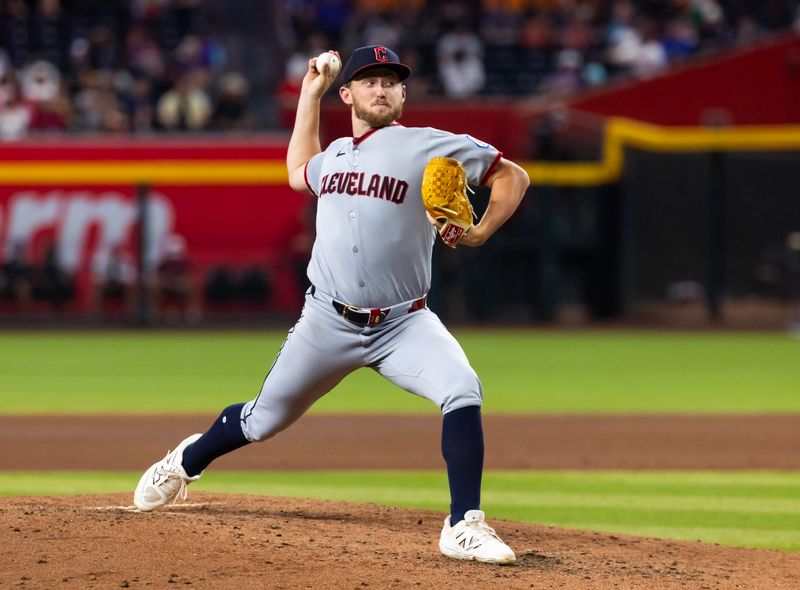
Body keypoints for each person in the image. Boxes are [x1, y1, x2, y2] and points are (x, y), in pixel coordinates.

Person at [133, 45, 529, 565]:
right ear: (349, 94)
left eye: (391, 81)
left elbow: (512, 176)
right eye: (369, 81)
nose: (381, 88)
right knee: (261, 421)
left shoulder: (432, 145)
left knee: (462, 387)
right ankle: (185, 460)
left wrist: (478, 232)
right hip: (327, 321)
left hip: (404, 323)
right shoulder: (336, 155)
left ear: (404, 94)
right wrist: (308, 94)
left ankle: (463, 524)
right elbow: (298, 169)